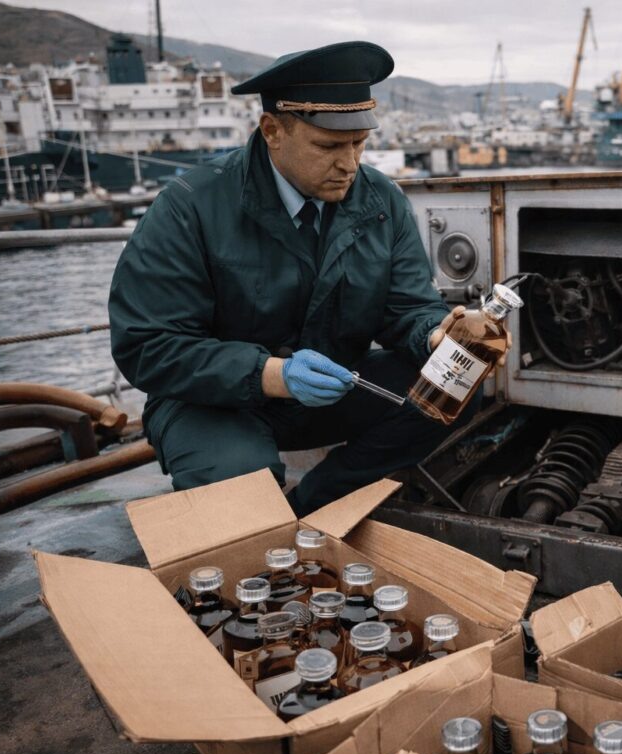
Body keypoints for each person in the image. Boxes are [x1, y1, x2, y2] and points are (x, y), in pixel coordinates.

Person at [109, 42, 486, 516]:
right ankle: (270, 513)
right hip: (211, 402)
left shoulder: (380, 200)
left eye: (359, 143)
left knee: (455, 387)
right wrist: (271, 375)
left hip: (325, 391)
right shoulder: (190, 206)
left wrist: (437, 334)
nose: (349, 164)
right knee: (240, 485)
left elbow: (406, 308)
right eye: (329, 146)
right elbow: (146, 345)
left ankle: (317, 504)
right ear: (273, 131)